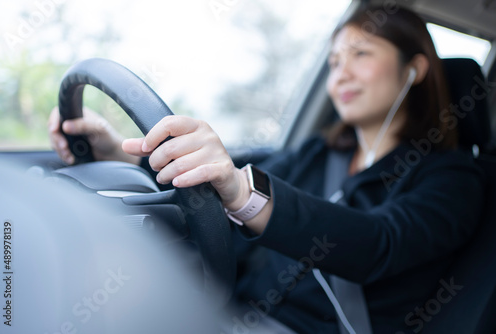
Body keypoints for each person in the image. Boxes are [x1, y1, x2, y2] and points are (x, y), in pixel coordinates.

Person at [48, 5, 485, 333]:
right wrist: (121, 154)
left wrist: (244, 191)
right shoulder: (317, 152)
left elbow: (378, 243)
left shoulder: (453, 178)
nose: (341, 74)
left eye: (361, 53)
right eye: (333, 62)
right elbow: (222, 175)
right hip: (233, 314)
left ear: (414, 69)